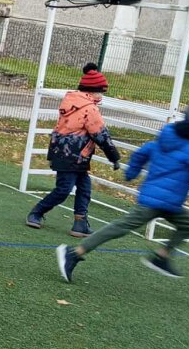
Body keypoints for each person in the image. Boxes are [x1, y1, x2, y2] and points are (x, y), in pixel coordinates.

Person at [56, 103, 189, 282]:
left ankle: (161, 257)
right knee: (120, 227)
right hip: (157, 201)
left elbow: (144, 152)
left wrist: (132, 172)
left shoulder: (169, 134)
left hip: (168, 202)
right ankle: (73, 253)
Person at [26, 63, 121, 237]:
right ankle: (37, 212)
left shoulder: (71, 102)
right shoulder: (90, 109)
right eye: (100, 92)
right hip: (73, 155)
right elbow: (101, 135)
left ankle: (80, 223)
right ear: (92, 91)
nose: (101, 96)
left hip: (65, 152)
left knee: (84, 188)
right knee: (64, 189)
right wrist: (114, 157)